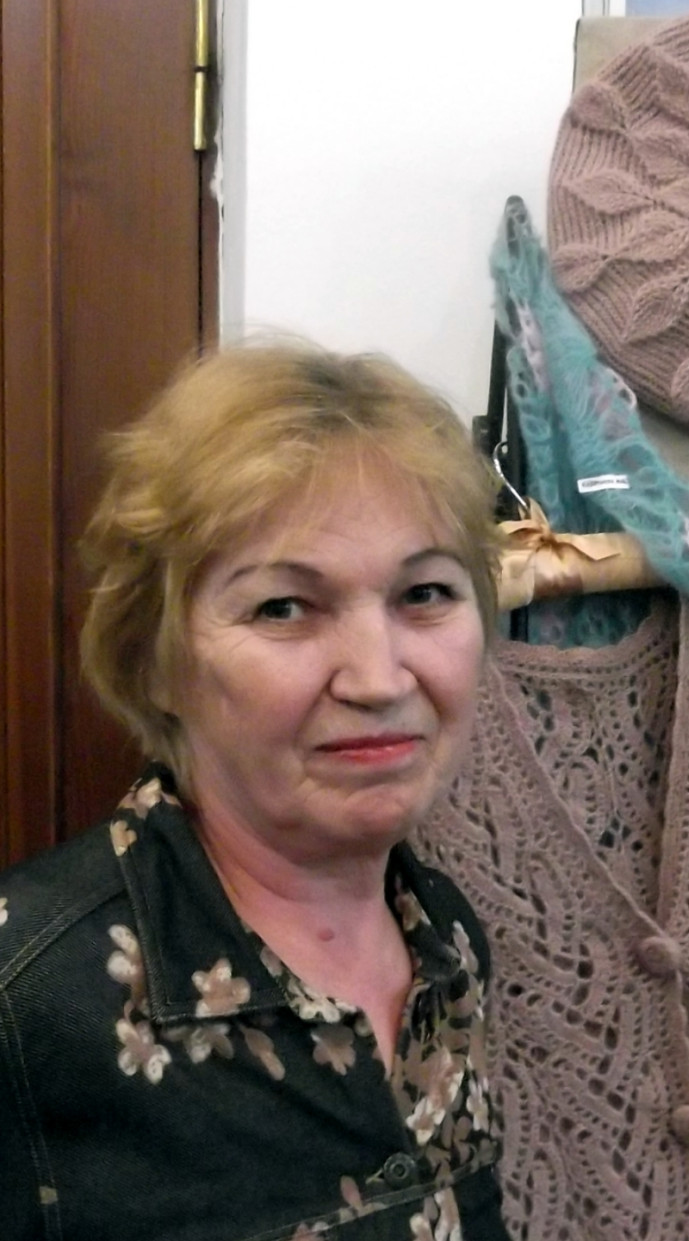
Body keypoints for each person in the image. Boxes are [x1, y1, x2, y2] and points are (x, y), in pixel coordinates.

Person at [0, 343, 511, 1240]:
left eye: (425, 592)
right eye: (284, 607)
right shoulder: (25, 995)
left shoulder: (447, 936)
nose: (379, 677)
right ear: (157, 661)